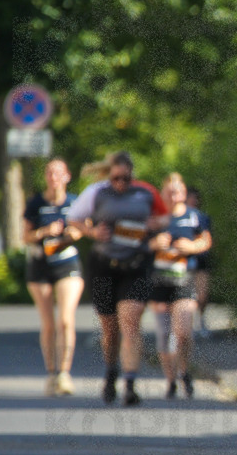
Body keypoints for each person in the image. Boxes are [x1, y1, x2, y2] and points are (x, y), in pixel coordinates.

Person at [68, 152, 169, 405]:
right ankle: (111, 371)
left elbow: (167, 217)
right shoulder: (97, 193)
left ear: (133, 175)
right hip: (104, 265)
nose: (121, 184)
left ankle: (131, 384)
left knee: (131, 320)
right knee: (110, 329)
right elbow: (73, 218)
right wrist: (92, 231)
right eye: (116, 178)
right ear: (108, 175)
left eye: (126, 178)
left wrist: (153, 227)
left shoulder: (146, 193)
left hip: (135, 264)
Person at [22, 158, 85, 396]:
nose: (53, 177)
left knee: (66, 320)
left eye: (58, 173)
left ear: (67, 176)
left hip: (66, 262)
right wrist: (45, 232)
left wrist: (73, 234)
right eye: (49, 172)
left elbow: (84, 227)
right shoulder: (36, 203)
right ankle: (51, 373)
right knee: (48, 323)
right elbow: (25, 236)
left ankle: (64, 374)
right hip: (40, 265)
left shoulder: (75, 202)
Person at [148, 173, 212, 399]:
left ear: (184, 194)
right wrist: (154, 244)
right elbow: (138, 245)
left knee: (184, 333)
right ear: (163, 194)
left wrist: (191, 247)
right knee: (165, 335)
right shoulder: (154, 219)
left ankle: (184, 371)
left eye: (178, 192)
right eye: (169, 192)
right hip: (159, 281)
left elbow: (206, 241)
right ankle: (170, 380)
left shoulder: (195, 217)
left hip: (184, 280)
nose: (174, 196)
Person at [185, 186, 214, 337]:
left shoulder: (202, 217)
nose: (193, 201)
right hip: (184, 261)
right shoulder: (178, 218)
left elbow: (207, 239)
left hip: (201, 260)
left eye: (196, 198)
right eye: (191, 197)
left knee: (202, 295)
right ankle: (187, 326)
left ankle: (200, 319)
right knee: (187, 296)